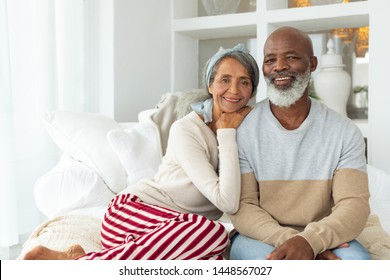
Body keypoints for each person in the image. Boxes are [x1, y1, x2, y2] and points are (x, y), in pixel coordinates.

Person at [21, 44, 260, 260]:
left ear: (252, 91)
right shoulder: (187, 129)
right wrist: (226, 133)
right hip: (130, 213)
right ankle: (84, 265)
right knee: (214, 234)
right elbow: (226, 202)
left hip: (169, 231)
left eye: (244, 82)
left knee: (214, 259)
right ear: (210, 85)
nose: (234, 90)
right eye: (225, 80)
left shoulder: (245, 131)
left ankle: (77, 257)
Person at [229, 27, 371, 260]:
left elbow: (354, 205)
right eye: (270, 60)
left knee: (359, 265)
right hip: (261, 235)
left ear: (312, 64)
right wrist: (296, 243)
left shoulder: (345, 132)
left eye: (291, 57)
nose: (279, 66)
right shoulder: (244, 130)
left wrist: (311, 240)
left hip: (326, 234)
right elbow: (243, 206)